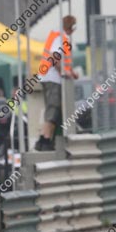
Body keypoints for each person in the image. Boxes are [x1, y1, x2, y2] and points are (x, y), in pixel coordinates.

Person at [35, 15, 78, 151]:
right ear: (71, 27)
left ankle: (46, 139)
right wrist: (63, 73)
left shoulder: (58, 36)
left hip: (49, 77)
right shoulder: (60, 38)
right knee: (52, 110)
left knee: (54, 110)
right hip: (53, 78)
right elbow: (55, 57)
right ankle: (45, 140)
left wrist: (69, 71)